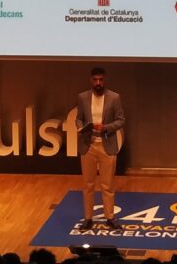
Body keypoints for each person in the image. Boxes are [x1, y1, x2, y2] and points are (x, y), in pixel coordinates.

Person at [76, 66, 126, 231]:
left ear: (104, 80)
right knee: (88, 185)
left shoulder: (114, 98)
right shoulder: (82, 97)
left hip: (107, 145)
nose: (98, 83)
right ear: (91, 80)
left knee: (107, 185)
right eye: (95, 80)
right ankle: (88, 218)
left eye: (101, 80)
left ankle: (110, 217)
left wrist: (105, 127)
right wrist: (80, 127)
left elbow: (121, 120)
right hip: (88, 145)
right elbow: (79, 118)